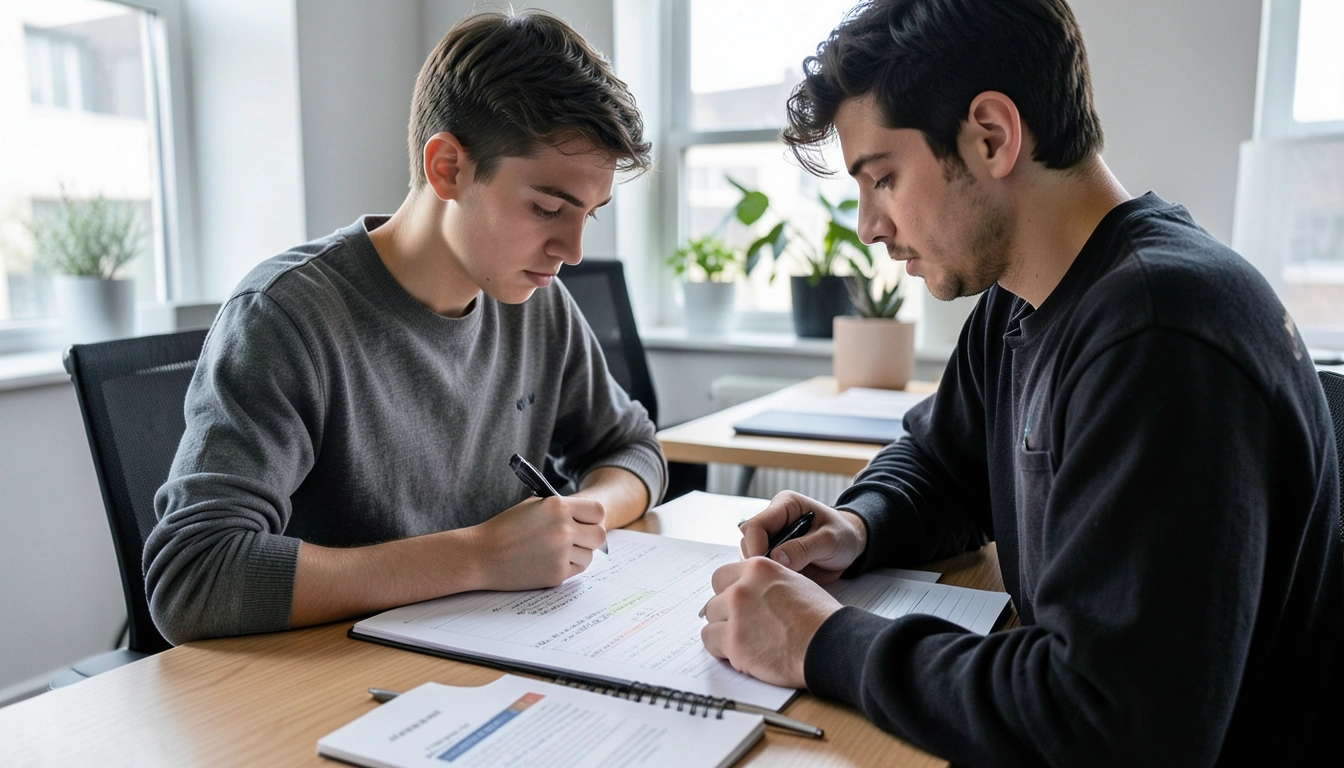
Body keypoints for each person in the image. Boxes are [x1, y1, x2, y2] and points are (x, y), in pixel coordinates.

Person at [699, 0, 1341, 763]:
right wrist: (861, 524)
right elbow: (943, 461)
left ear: (991, 136)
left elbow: (1107, 726)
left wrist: (822, 641)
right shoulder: (1025, 298)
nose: (869, 225)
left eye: (883, 178)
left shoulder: (1160, 334)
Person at [144, 10, 667, 645]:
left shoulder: (536, 300)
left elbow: (633, 449)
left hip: (486, 655)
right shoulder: (286, 317)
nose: (573, 249)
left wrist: (577, 521)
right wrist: (479, 556)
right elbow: (194, 577)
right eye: (547, 208)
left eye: (591, 214)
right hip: (330, 689)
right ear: (448, 167)